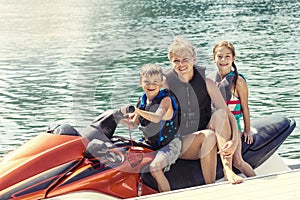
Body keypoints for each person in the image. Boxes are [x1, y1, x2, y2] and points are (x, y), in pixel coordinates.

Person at [164, 36, 243, 184]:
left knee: (219, 115)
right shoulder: (166, 85)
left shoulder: (207, 83)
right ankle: (210, 185)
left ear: (194, 59)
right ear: (171, 62)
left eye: (185, 59)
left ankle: (227, 169)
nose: (181, 64)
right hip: (179, 142)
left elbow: (228, 115)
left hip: (204, 134)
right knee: (209, 136)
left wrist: (234, 141)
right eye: (176, 60)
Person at [119, 63, 182, 192]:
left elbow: (156, 117)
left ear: (161, 83)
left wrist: (136, 110)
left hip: (170, 145)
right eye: (146, 82)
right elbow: (133, 124)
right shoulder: (142, 101)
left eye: (155, 81)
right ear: (140, 82)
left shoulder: (166, 100)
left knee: (155, 168)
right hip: (149, 144)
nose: (151, 85)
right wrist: (117, 119)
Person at [212, 40, 256, 177]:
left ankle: (255, 181)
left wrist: (247, 130)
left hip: (233, 125)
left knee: (237, 161)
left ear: (233, 58)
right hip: (217, 124)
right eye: (219, 56)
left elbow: (245, 107)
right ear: (214, 58)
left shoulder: (238, 81)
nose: (223, 60)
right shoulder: (213, 80)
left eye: (227, 56)